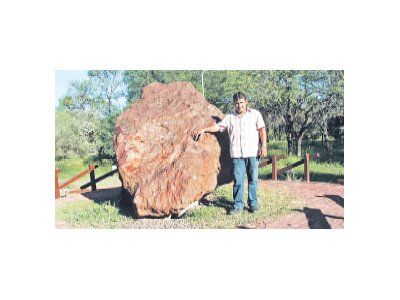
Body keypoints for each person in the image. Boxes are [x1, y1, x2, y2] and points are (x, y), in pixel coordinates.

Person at [193, 92, 267, 215]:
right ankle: (238, 205)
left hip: (253, 153)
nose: (239, 105)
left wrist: (264, 146)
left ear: (246, 101)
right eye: (237, 103)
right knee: (238, 181)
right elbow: (218, 127)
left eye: (241, 102)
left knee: (253, 179)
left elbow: (262, 130)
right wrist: (204, 129)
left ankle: (253, 204)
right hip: (237, 155)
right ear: (234, 104)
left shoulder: (255, 114)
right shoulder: (230, 117)